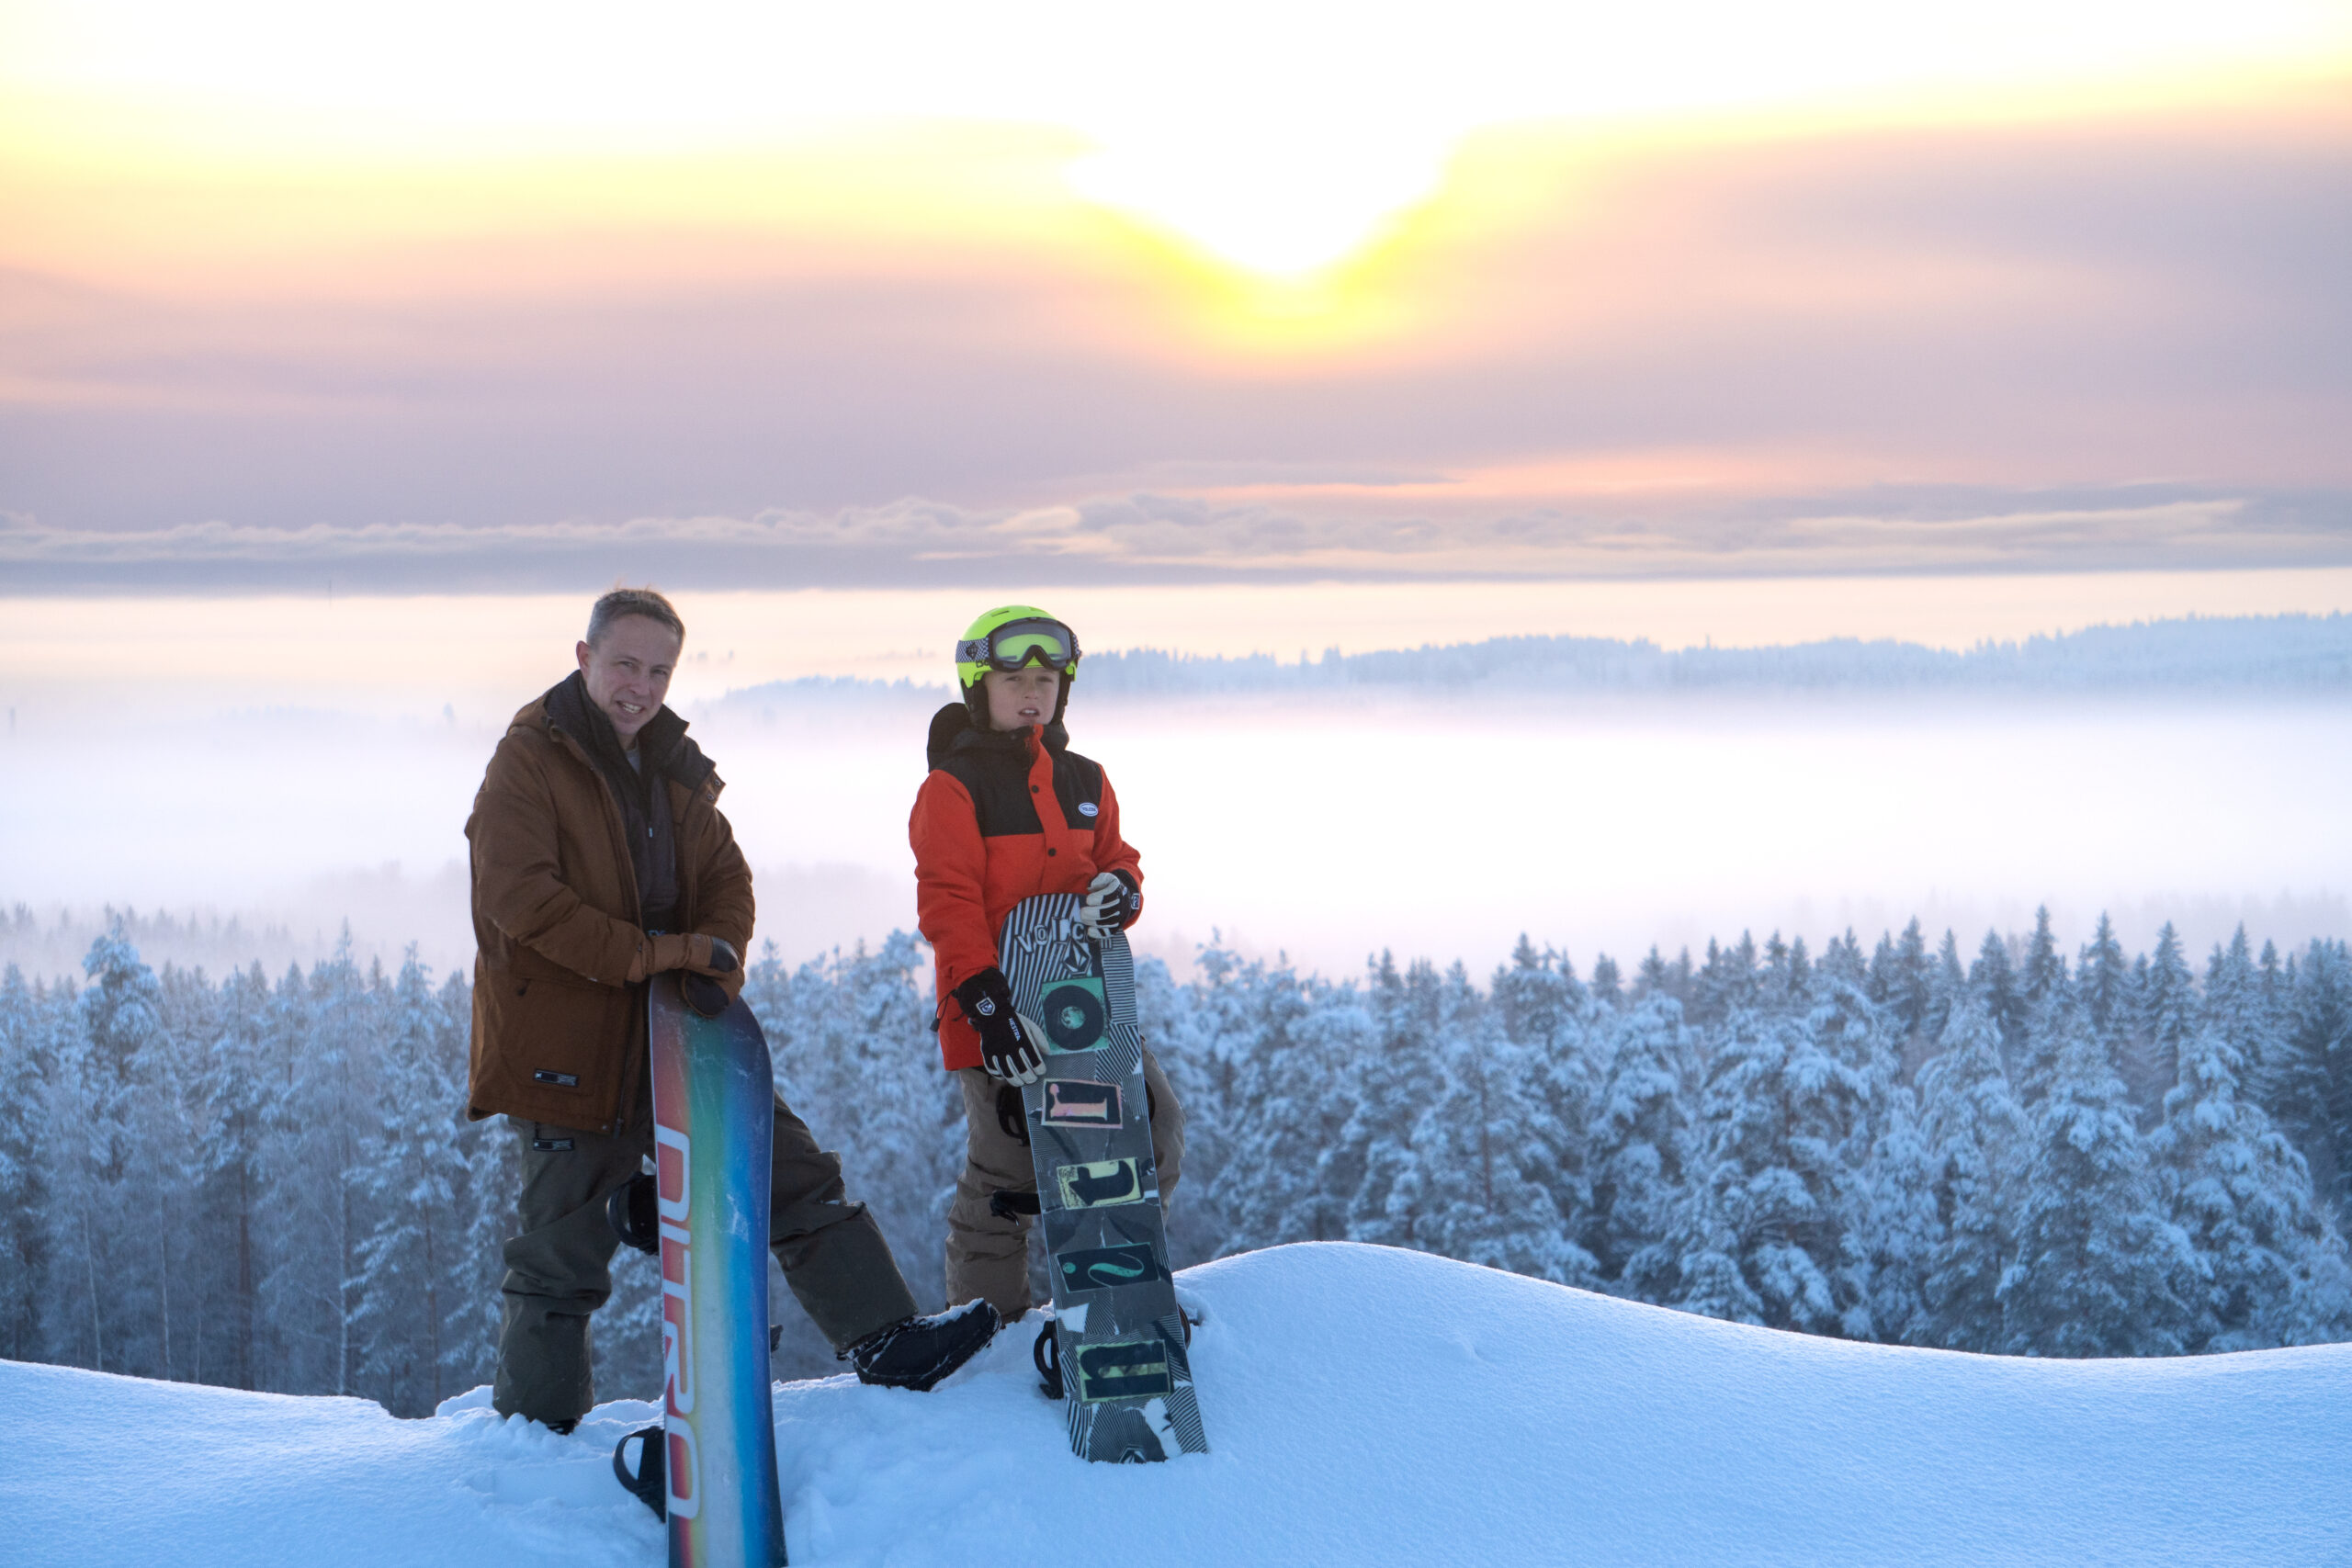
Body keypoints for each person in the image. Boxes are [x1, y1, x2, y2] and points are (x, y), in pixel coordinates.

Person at [466, 586, 995, 1433]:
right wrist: (665, 955)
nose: (641, 686)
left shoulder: (672, 764)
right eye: (625, 664)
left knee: (789, 1172)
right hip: (563, 1051)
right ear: (584, 657)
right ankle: (538, 1439)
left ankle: (886, 1337)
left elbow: (727, 880)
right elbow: (524, 902)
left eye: (659, 671)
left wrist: (715, 961)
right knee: (559, 1259)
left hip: (678, 1032)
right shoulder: (527, 762)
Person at [908, 605, 1185, 1321]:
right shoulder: (953, 787)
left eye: (1046, 680)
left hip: (1090, 1001)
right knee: (1009, 1170)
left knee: (1151, 1132)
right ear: (979, 687)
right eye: (1013, 680)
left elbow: (1119, 860)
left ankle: (1113, 1289)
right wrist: (990, 1011)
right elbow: (948, 904)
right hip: (998, 1011)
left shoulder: (1086, 778)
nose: (1032, 692)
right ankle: (989, 1328)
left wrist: (1121, 890)